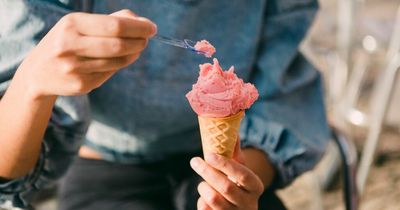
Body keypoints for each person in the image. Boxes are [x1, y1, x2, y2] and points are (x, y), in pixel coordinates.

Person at [0, 0, 331, 210]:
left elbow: (281, 101)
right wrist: (31, 85)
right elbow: (6, 172)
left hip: (236, 164)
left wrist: (232, 187)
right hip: (103, 167)